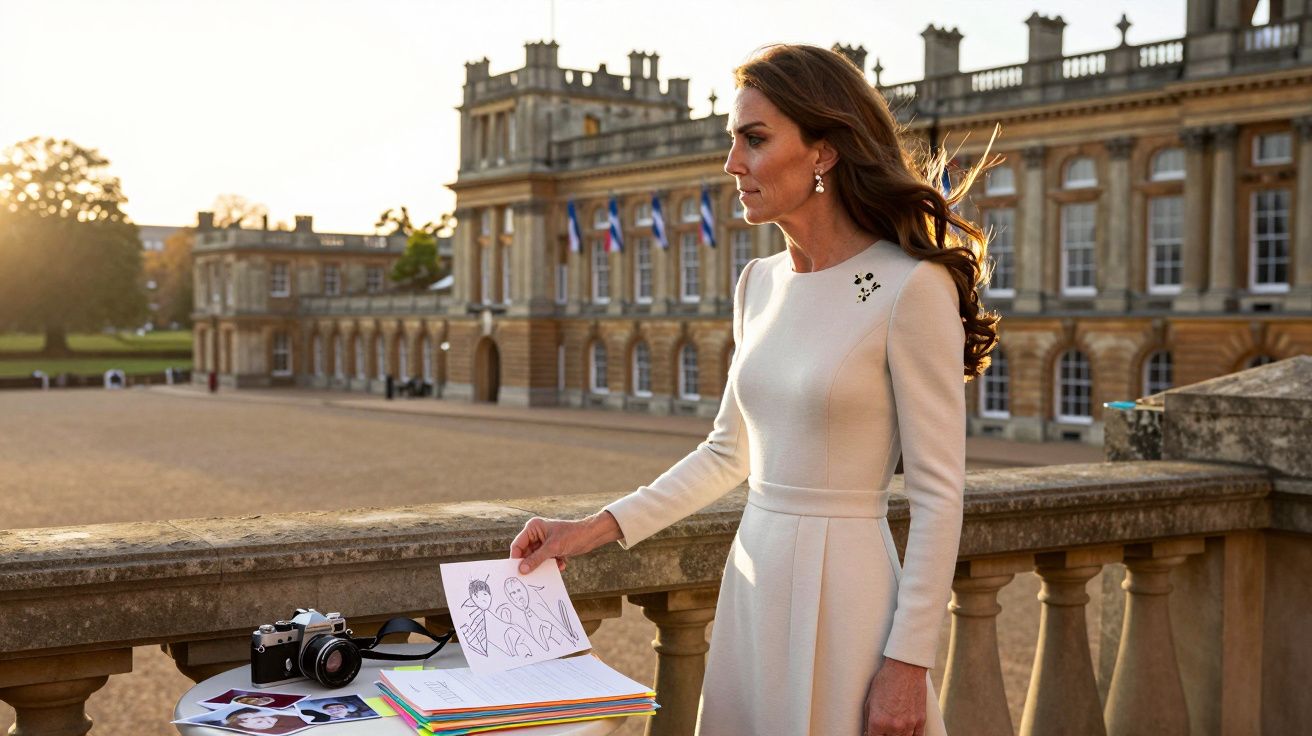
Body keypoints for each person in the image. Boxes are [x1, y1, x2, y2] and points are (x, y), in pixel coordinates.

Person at [510, 44, 999, 736]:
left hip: (848, 596)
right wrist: (592, 528)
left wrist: (908, 662)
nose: (732, 163)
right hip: (753, 578)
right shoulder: (757, 283)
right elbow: (725, 453)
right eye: (732, 139)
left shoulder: (910, 287)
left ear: (823, 151)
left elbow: (938, 497)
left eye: (755, 139)